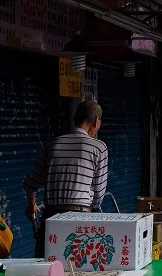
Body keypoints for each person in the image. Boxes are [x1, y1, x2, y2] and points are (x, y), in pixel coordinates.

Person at [24, 101, 109, 257]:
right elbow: (98, 196)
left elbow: (30, 184)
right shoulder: (99, 147)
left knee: (47, 269)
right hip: (81, 219)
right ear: (97, 121)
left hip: (51, 219)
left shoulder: (52, 144)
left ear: (75, 119)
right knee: (79, 269)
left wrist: (32, 205)